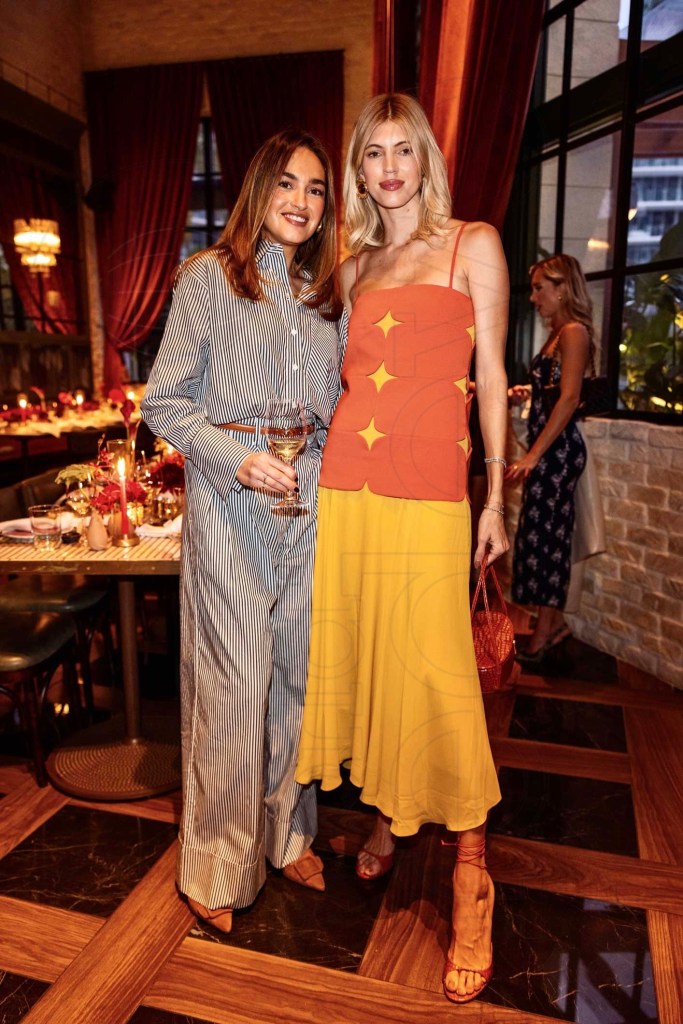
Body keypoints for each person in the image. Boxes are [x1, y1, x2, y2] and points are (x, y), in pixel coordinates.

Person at [295, 94, 509, 1004]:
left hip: (430, 497)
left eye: (402, 150)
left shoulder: (473, 244)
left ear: (424, 158)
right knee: (377, 662)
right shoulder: (352, 266)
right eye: (372, 153)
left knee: (437, 679)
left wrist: (496, 494)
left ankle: (471, 877)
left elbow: (493, 373)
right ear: (360, 167)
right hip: (348, 490)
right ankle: (391, 817)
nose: (388, 167)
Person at [141, 128, 343, 932]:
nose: (301, 201)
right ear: (257, 190)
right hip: (231, 507)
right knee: (232, 689)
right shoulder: (206, 280)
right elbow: (163, 401)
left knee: (296, 681)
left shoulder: (325, 296)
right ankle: (217, 861)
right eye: (287, 183)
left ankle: (289, 830)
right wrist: (236, 458)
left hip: (314, 502)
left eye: (317, 188)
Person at [506, 254, 593, 661]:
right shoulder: (557, 334)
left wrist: (534, 456)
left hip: (557, 454)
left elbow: (571, 397)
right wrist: (528, 393)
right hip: (549, 453)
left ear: (562, 289)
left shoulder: (574, 331)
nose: (535, 297)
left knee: (549, 541)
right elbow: (555, 391)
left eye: (541, 288)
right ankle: (552, 624)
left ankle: (543, 633)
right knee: (537, 538)